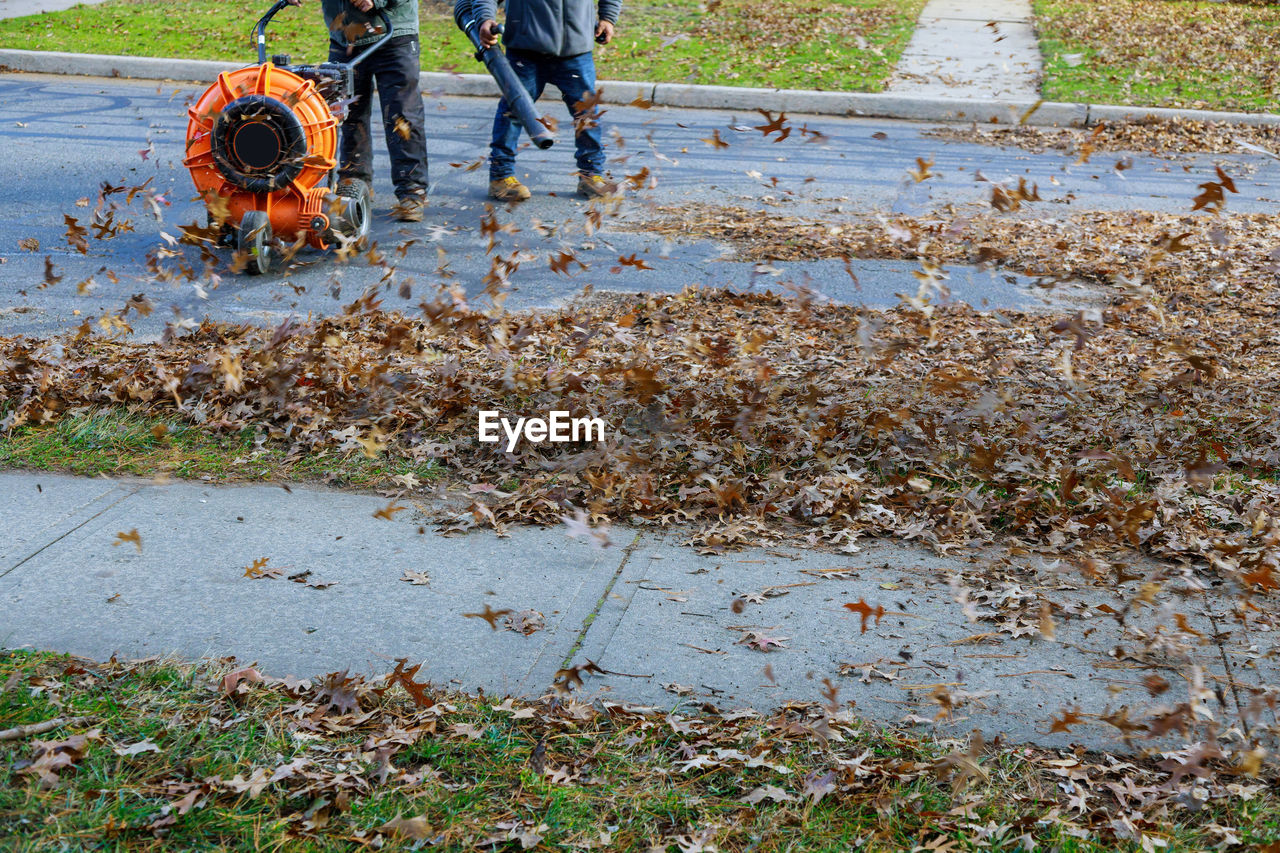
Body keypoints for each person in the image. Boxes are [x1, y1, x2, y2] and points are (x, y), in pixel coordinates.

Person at [457, 0, 621, 202]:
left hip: (576, 49)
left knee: (586, 114)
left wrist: (608, 17)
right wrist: (485, 18)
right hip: (525, 49)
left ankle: (591, 175)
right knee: (513, 111)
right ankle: (501, 177)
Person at [287, 0, 430, 221]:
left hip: (393, 33)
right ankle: (354, 185)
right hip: (345, 36)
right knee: (348, 115)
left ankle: (412, 191)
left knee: (402, 117)